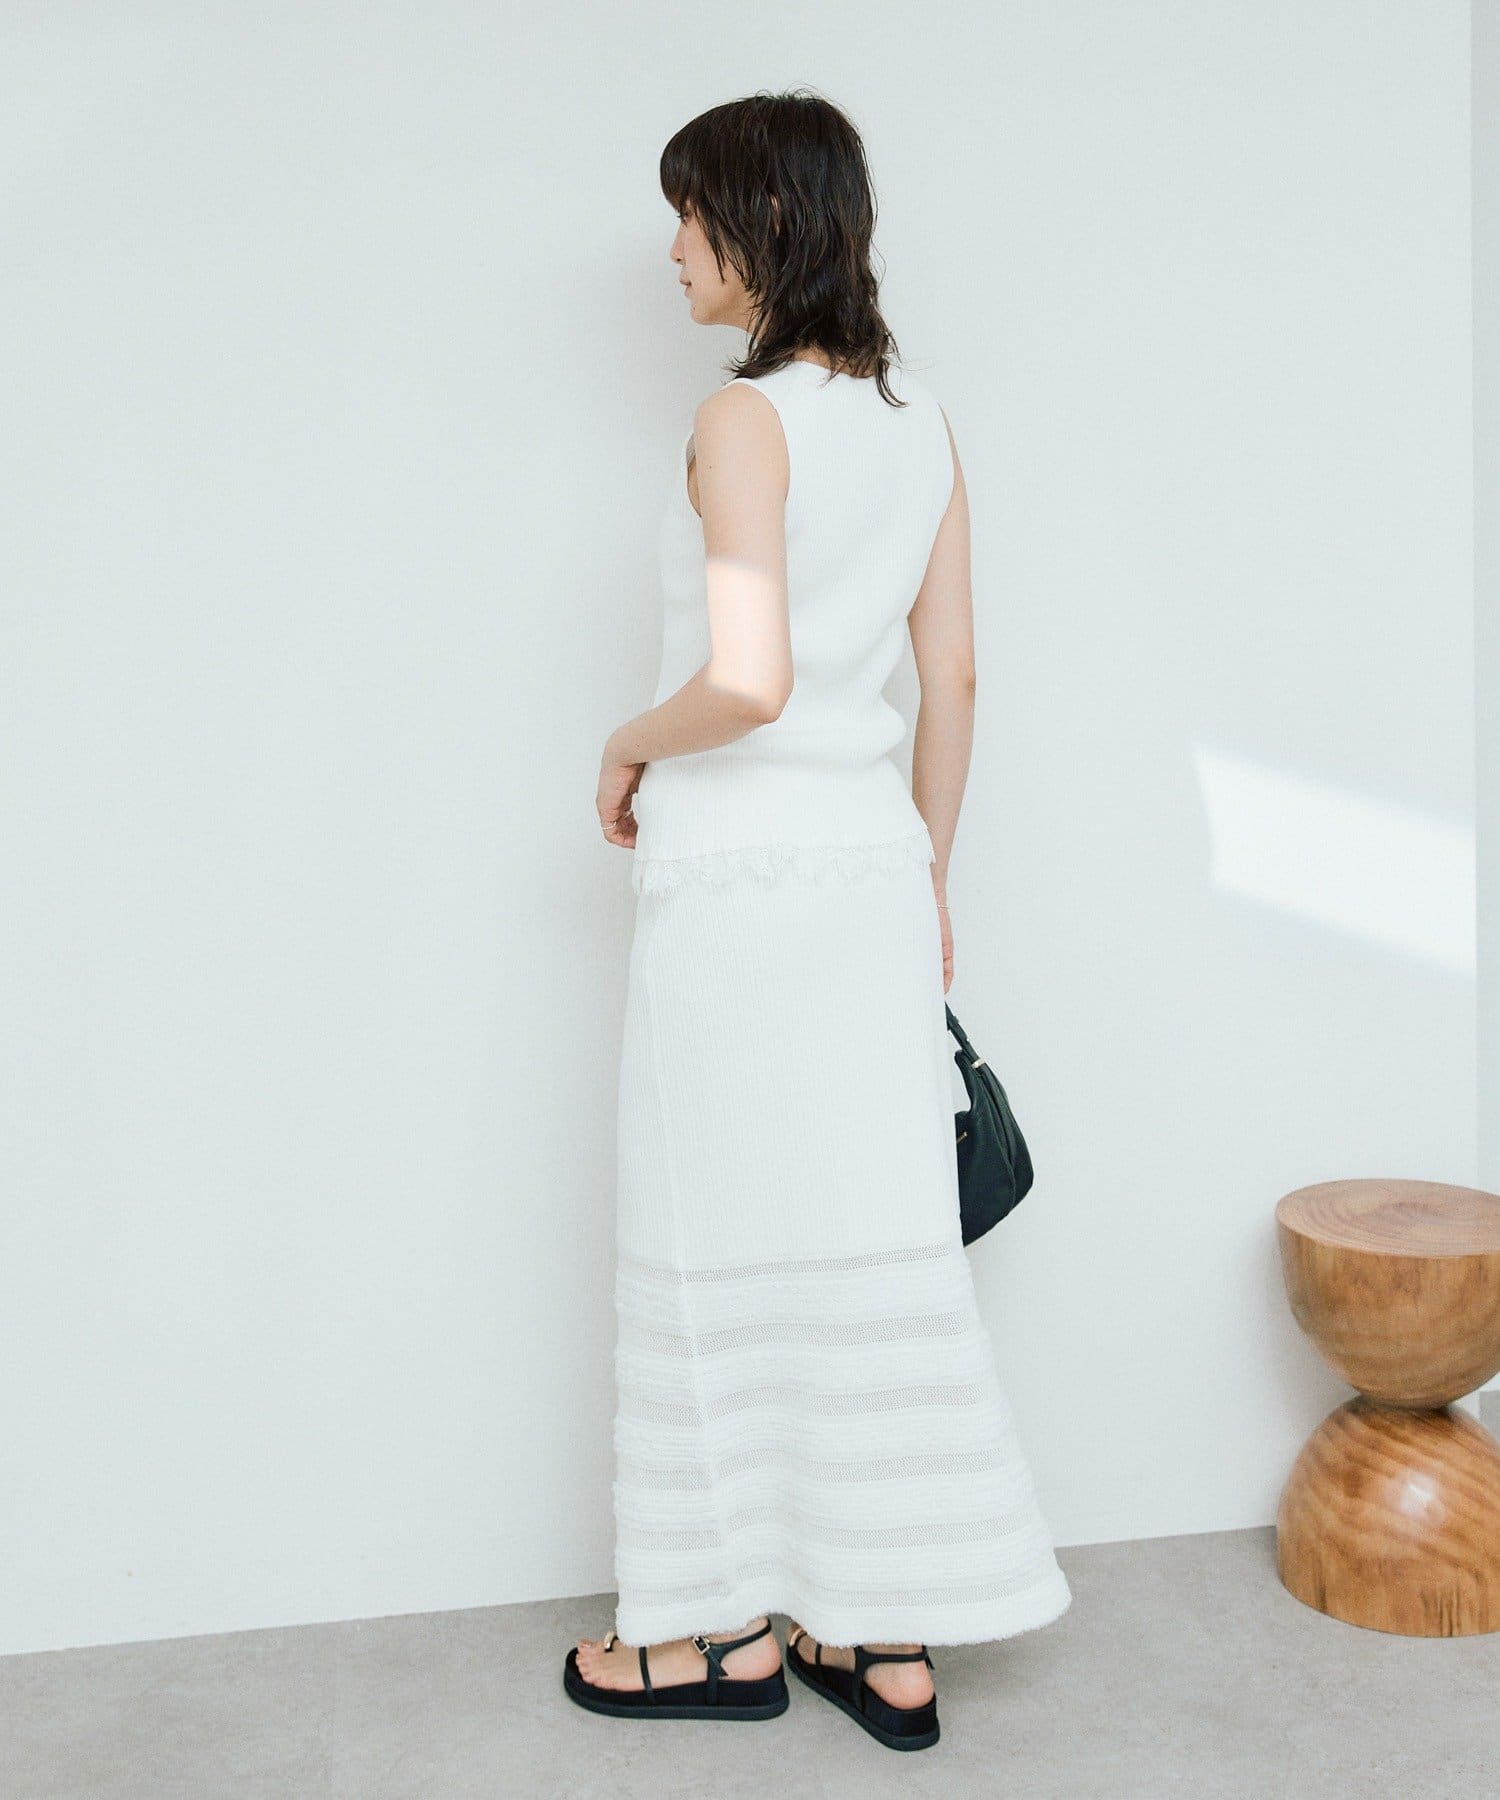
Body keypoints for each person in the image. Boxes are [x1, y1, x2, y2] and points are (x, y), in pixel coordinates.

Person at [562, 88, 1071, 1753]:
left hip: (735, 883)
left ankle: (712, 1635)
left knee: (713, 1245)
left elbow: (747, 680)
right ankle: (883, 1635)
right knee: (875, 1249)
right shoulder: (925, 427)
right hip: (865, 880)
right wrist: (927, 873)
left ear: (766, 223)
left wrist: (626, 740)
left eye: (690, 212)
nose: (672, 248)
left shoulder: (741, 423)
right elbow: (956, 678)